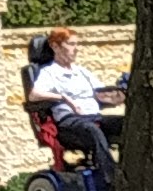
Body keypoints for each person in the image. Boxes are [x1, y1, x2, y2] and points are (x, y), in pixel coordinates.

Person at [28, 25, 121, 180]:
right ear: (55, 47)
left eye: (77, 44)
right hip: (69, 122)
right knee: (92, 130)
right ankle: (111, 178)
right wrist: (63, 98)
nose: (76, 49)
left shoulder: (81, 71)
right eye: (71, 44)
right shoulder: (49, 72)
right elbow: (33, 95)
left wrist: (119, 95)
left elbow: (101, 93)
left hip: (94, 116)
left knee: (127, 123)